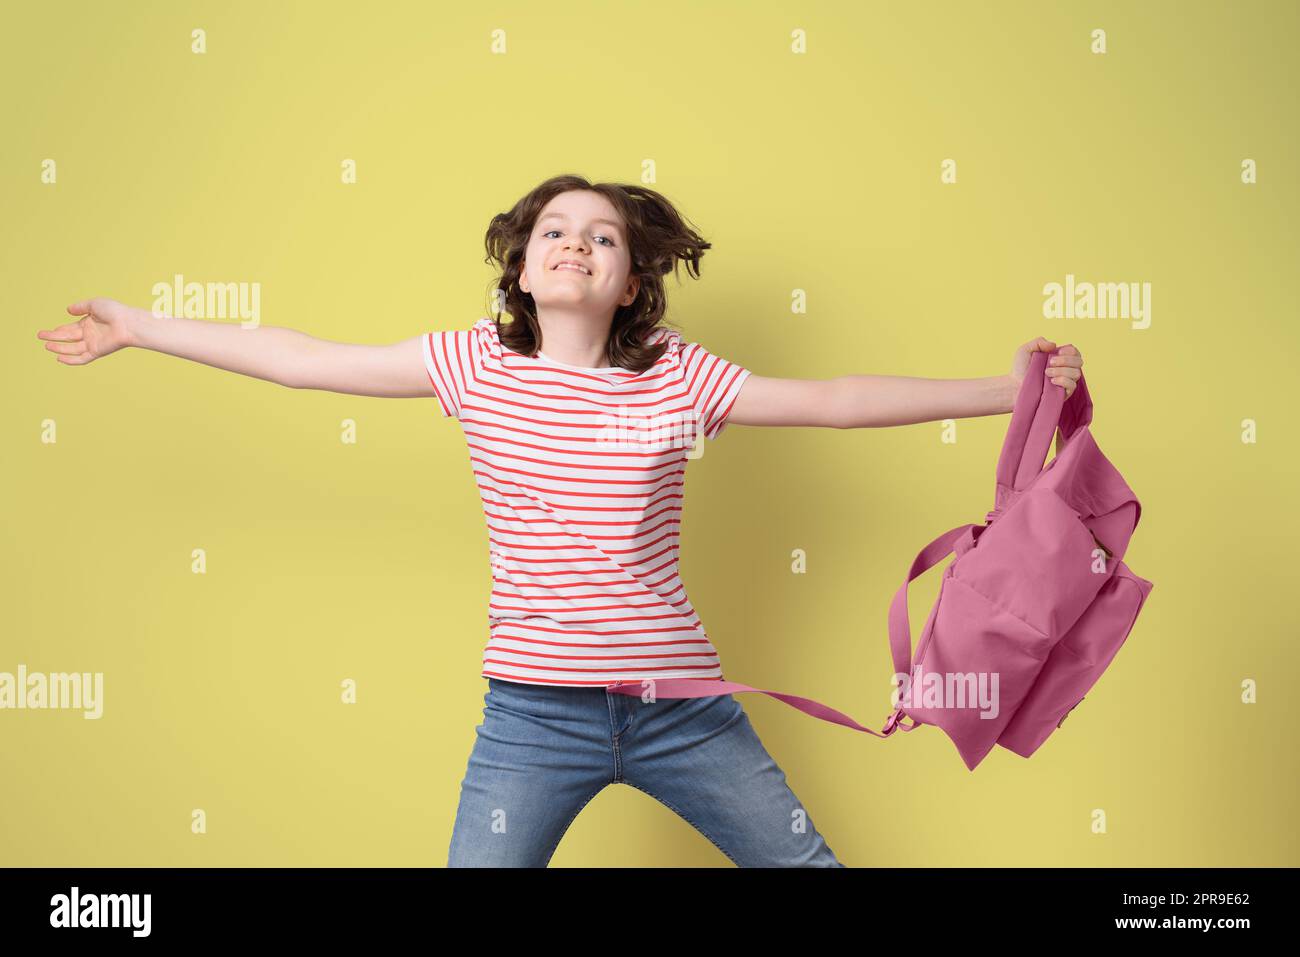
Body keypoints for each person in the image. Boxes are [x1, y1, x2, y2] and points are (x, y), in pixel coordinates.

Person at [37, 173, 1082, 867]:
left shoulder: (677, 379)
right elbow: (301, 358)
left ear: (631, 283)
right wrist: (140, 327)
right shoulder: (472, 365)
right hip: (531, 721)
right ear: (522, 265)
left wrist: (1005, 392)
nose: (573, 244)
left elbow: (834, 399)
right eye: (552, 231)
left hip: (684, 710)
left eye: (601, 237)